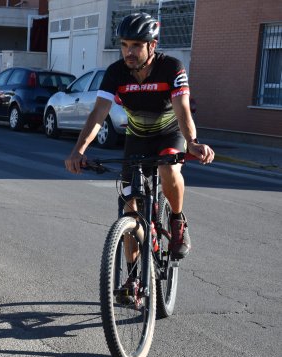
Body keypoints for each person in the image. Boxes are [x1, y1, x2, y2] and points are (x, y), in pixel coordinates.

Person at [65, 13, 215, 260]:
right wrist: (78, 151)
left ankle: (177, 220)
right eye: (124, 45)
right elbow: (98, 113)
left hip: (169, 134)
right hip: (137, 137)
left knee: (168, 169)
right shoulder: (115, 72)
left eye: (135, 45)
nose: (128, 52)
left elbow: (182, 109)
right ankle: (131, 280)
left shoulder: (172, 68)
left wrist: (192, 142)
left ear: (152, 45)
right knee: (128, 208)